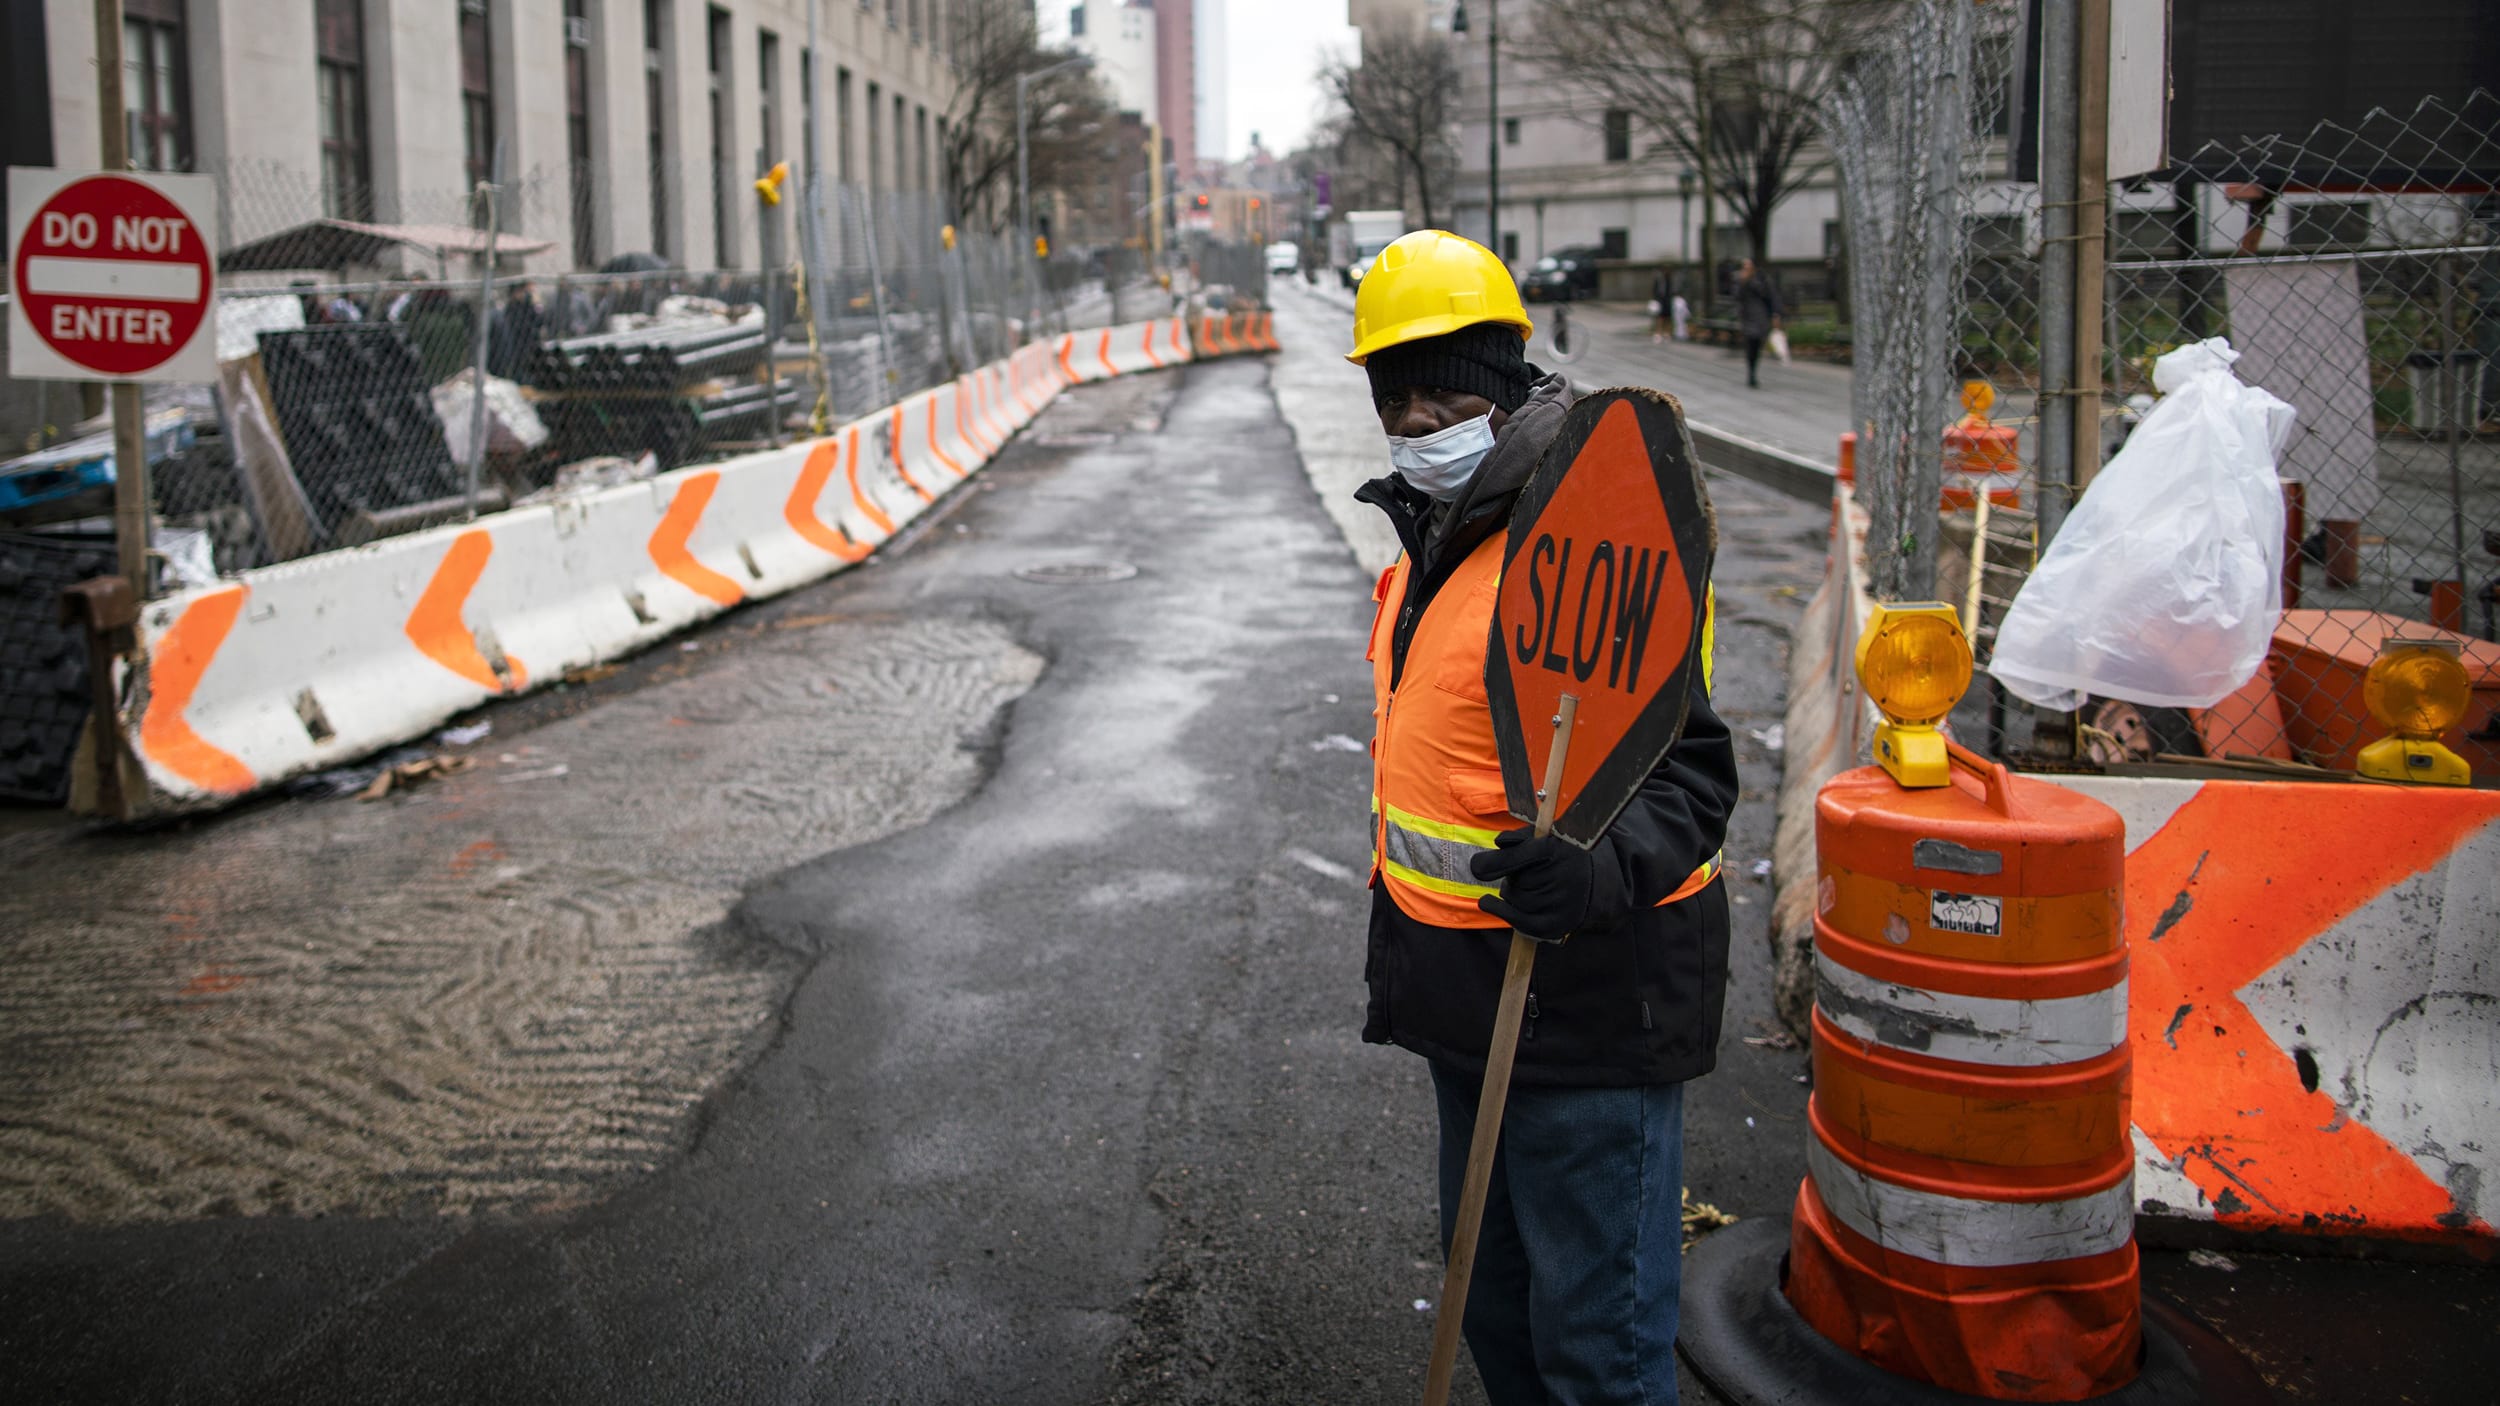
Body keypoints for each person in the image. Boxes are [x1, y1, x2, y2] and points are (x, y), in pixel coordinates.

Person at [1346, 229, 1739, 1405]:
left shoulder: (1598, 528)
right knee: (1500, 1302)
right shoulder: (1438, 531)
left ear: (1505, 383)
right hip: (1467, 995)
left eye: (1445, 387)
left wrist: (1598, 864)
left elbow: (1693, 774)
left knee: (1595, 1339)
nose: (1417, 420)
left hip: (1583, 996)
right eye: (1393, 395)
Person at [1733, 258, 1781, 387]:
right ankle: (1751, 373)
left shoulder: (1762, 279)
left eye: (1748, 266)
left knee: (1757, 344)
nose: (1746, 269)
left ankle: (1753, 369)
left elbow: (1770, 296)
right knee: (1750, 344)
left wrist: (1775, 314)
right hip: (1747, 317)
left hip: (1761, 318)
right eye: (1744, 266)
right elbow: (1737, 296)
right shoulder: (1740, 280)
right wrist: (1744, 282)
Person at [1650, 267, 1675, 343]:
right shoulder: (1659, 280)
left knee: (1667, 318)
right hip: (1660, 300)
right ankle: (1658, 333)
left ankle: (1666, 333)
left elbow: (1671, 291)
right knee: (1660, 317)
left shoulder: (1669, 280)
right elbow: (1655, 290)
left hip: (1667, 301)